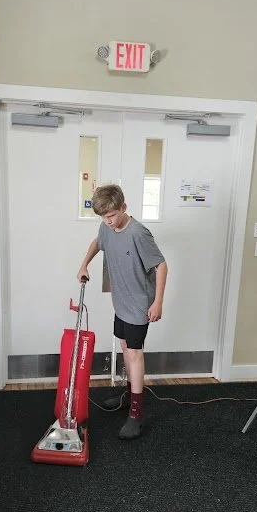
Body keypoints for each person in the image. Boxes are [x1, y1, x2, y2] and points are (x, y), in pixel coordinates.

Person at [77, 184, 168, 439]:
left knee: (134, 354)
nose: (108, 222)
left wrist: (157, 302)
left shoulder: (138, 233)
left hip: (140, 304)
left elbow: (161, 266)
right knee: (125, 348)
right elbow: (98, 242)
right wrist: (84, 264)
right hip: (121, 302)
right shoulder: (106, 227)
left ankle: (136, 413)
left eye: (112, 216)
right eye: (103, 217)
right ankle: (129, 395)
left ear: (124, 207)